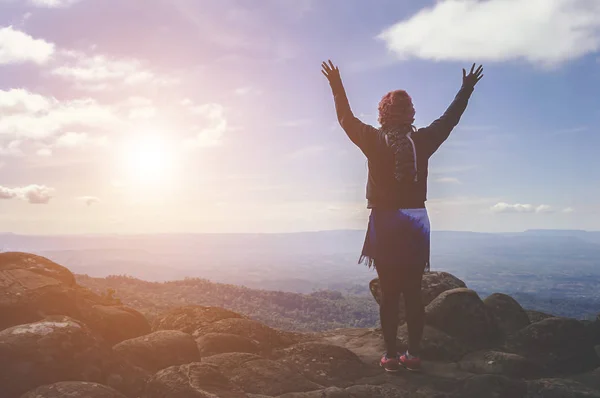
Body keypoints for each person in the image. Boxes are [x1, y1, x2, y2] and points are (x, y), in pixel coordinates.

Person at [321, 60, 483, 372]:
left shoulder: (372, 139)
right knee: (412, 291)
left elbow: (345, 118)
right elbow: (449, 120)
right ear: (410, 114)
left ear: (382, 114)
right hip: (415, 223)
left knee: (390, 291)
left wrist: (336, 83)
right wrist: (466, 89)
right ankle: (414, 354)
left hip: (384, 222)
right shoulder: (422, 141)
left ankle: (391, 357)